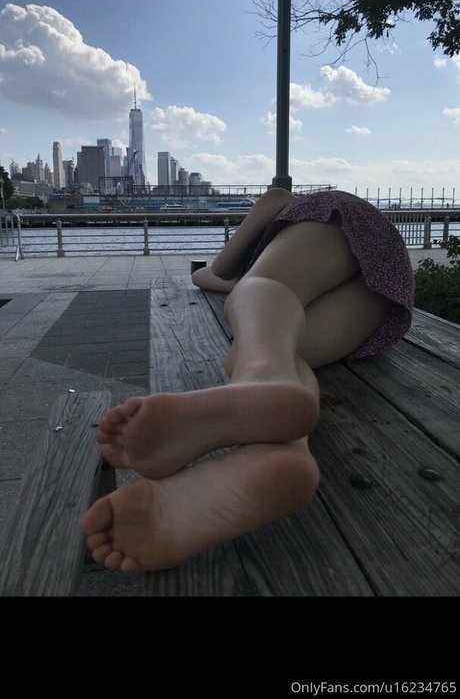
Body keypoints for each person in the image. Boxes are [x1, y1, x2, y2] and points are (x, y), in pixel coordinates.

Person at [80, 188, 414, 573]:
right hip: (386, 284)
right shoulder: (288, 275)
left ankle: (258, 379)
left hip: (342, 223)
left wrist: (231, 271)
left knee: (257, 293)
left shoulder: (283, 200)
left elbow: (219, 270)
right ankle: (279, 454)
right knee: (281, 350)